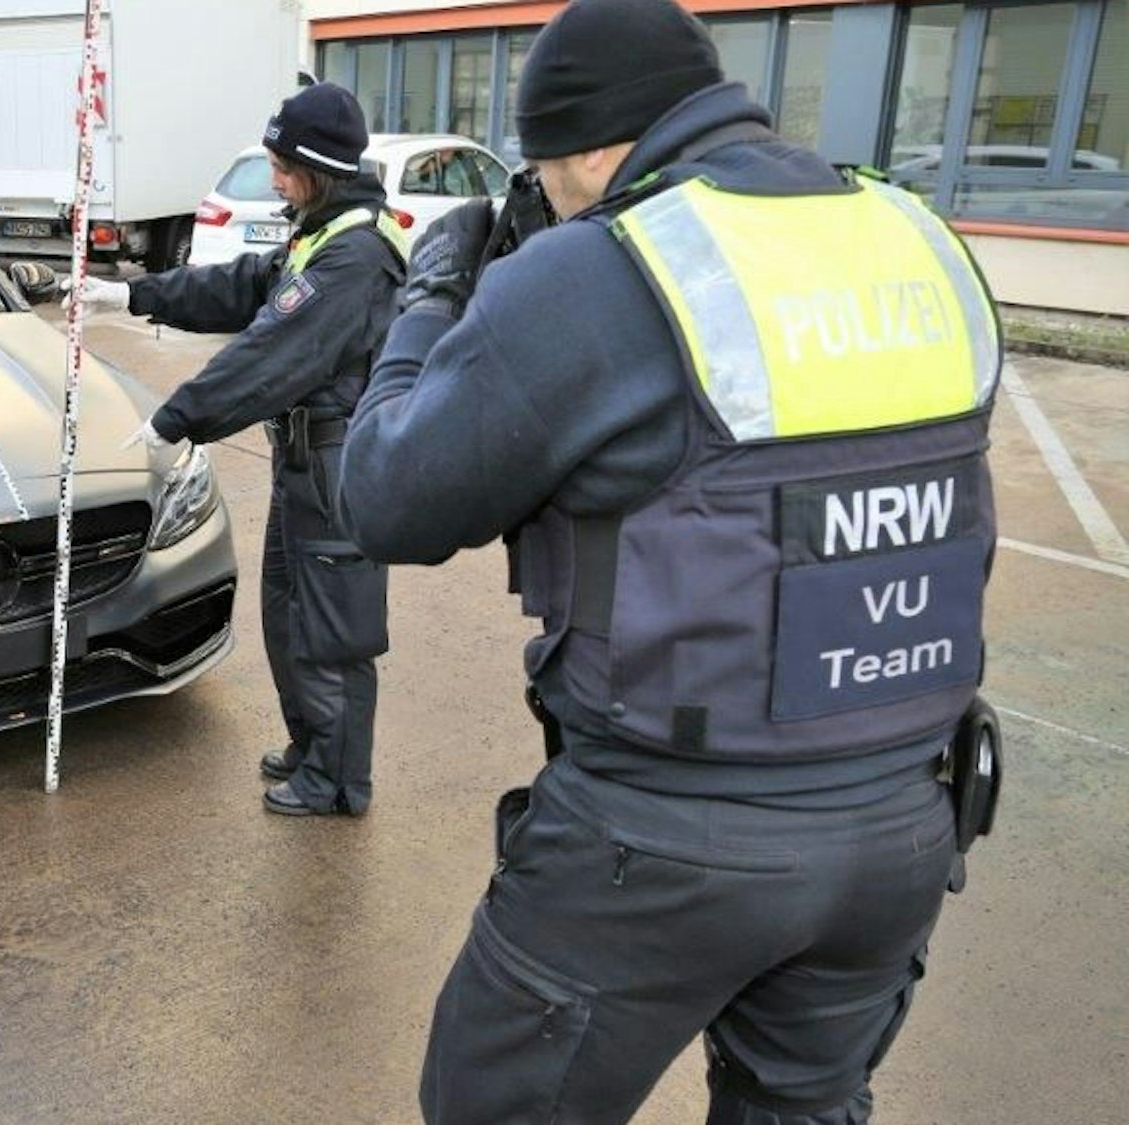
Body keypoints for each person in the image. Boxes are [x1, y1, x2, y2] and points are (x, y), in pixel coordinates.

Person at [336, 0, 1002, 1120]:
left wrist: (434, 295)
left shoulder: (601, 270)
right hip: (900, 823)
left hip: (665, 840)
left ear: (591, 147)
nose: (543, 197)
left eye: (545, 172)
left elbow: (386, 499)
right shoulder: (915, 237)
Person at [65, 82, 408, 816]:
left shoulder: (356, 257)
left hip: (338, 471)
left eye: (284, 166)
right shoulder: (317, 230)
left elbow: (269, 353)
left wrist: (177, 418)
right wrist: (133, 296)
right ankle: (313, 745)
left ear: (319, 166)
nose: (275, 179)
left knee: (332, 630)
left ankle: (340, 779)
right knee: (287, 616)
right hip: (302, 465)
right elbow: (245, 286)